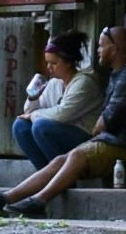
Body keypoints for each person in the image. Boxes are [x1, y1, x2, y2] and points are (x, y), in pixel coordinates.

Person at [0, 37, 126, 213]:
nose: (98, 50)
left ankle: (39, 200)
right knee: (56, 156)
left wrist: (33, 115)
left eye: (102, 46)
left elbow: (101, 123)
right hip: (112, 139)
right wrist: (33, 97)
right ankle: (7, 197)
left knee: (64, 146)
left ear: (115, 49)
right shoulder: (119, 75)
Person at [12, 31, 100, 166]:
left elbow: (62, 114)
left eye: (54, 63)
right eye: (47, 63)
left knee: (41, 126)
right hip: (60, 134)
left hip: (85, 137)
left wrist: (33, 115)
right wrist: (33, 96)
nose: (49, 68)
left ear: (68, 62)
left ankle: (62, 175)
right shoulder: (54, 83)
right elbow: (29, 111)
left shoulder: (84, 83)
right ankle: (45, 174)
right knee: (20, 126)